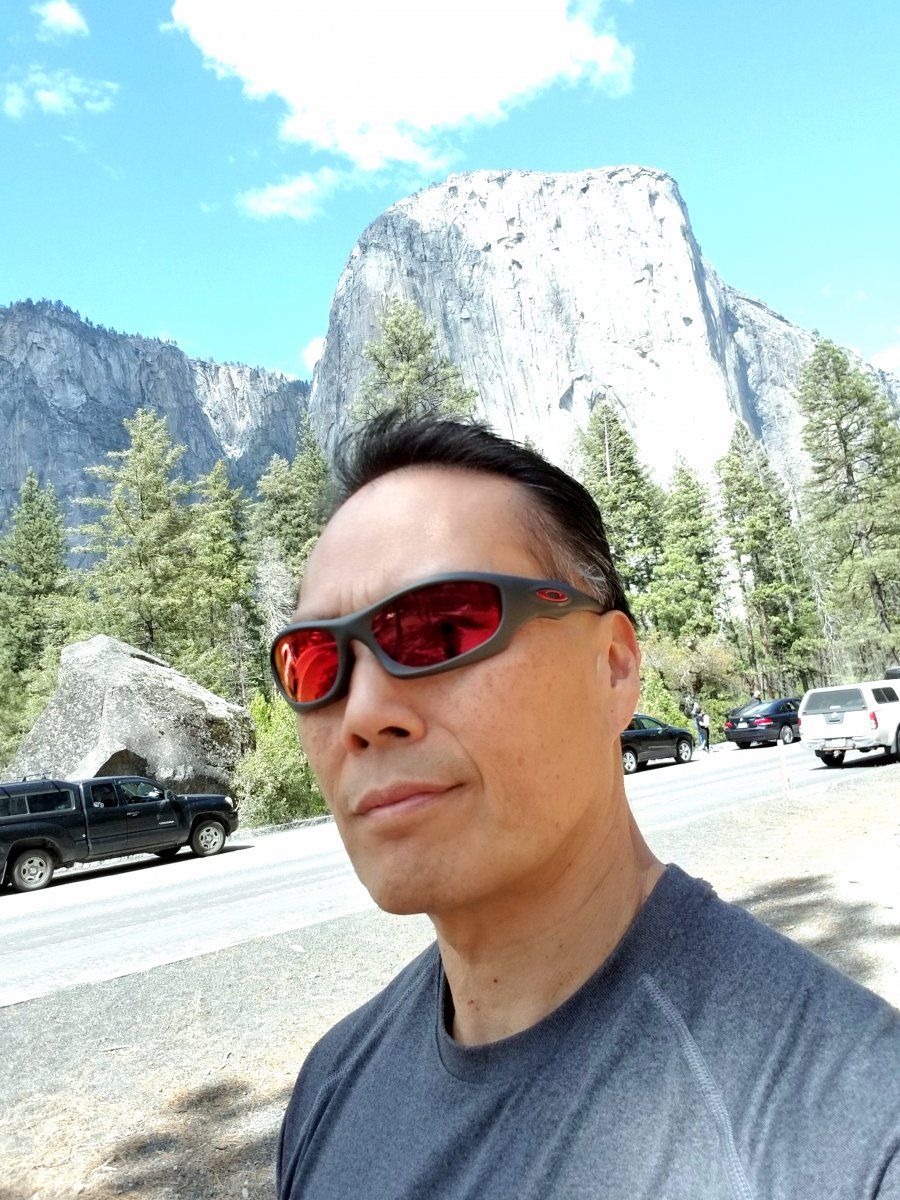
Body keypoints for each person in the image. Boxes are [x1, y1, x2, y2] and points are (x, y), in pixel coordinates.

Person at [271, 414, 900, 1200]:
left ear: (614, 669)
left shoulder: (850, 1130)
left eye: (442, 626)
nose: (362, 714)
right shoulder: (330, 1088)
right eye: (315, 663)